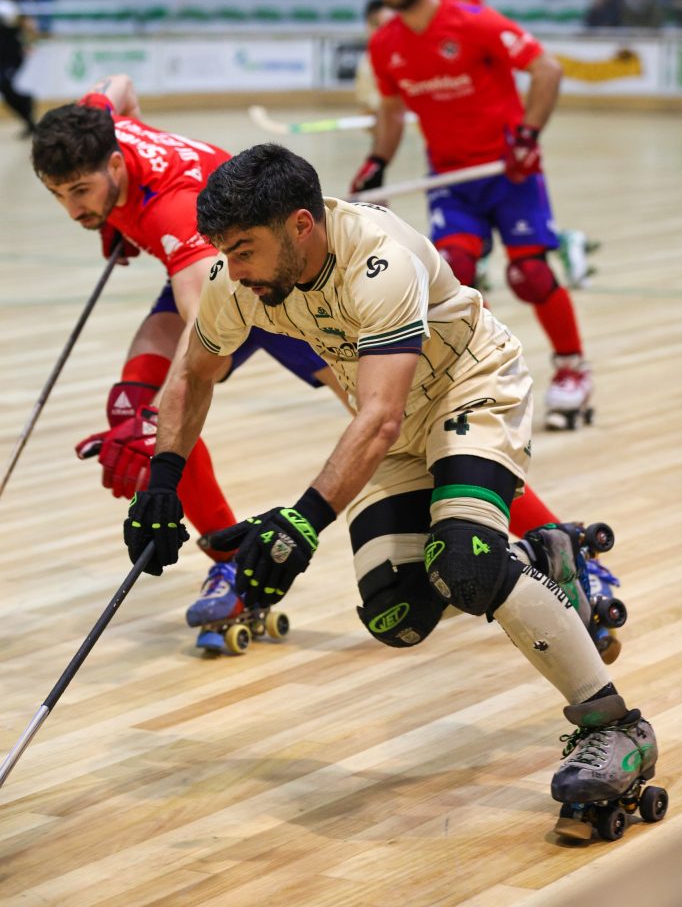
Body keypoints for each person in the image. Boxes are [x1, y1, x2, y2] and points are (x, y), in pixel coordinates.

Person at [122, 143, 658, 830]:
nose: (234, 268)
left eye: (245, 249)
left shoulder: (379, 258)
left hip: (471, 388)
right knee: (396, 617)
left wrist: (302, 521)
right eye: (225, 251)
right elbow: (193, 373)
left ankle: (615, 726)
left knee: (466, 562)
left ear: (301, 226)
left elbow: (378, 419)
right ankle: (544, 560)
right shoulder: (239, 280)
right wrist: (163, 478)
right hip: (393, 418)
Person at [30, 74, 346, 631]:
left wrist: (160, 423)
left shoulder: (169, 212)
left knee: (392, 418)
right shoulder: (97, 120)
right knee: (131, 407)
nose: (72, 209)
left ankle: (514, 535)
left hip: (272, 284)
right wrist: (112, 215)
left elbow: (208, 346)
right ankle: (233, 566)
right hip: (213, 268)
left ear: (116, 164)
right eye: (58, 195)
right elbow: (120, 85)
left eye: (80, 191)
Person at [349, 0, 594, 431]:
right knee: (453, 274)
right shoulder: (385, 44)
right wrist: (377, 161)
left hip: (509, 172)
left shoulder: (474, 21)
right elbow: (392, 113)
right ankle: (467, 380)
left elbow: (546, 70)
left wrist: (527, 136)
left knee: (529, 274)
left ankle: (573, 369)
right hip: (451, 178)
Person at [0, 0, 36, 137]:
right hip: (3, 58)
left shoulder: (5, 7)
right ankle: (28, 119)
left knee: (4, 85)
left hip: (12, 57)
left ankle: (27, 104)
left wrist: (28, 43)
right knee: (6, 91)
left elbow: (27, 24)